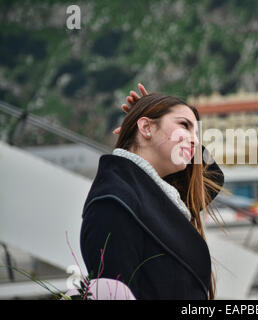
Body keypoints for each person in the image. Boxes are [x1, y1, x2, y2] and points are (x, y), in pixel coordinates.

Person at [80, 86, 225, 300]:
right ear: (146, 128)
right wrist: (150, 113)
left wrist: (151, 112)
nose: (195, 140)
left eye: (197, 132)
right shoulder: (113, 204)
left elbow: (212, 178)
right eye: (184, 125)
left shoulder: (155, 194)